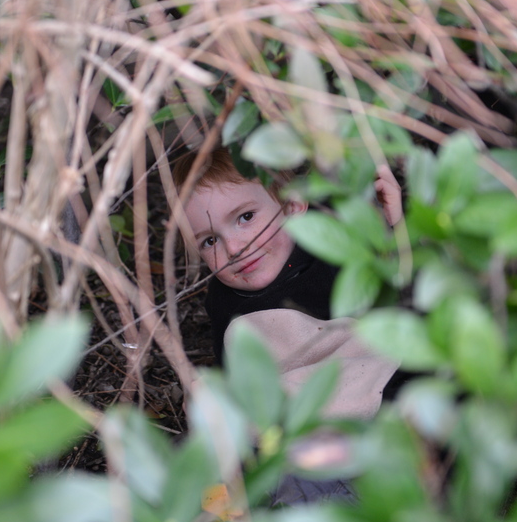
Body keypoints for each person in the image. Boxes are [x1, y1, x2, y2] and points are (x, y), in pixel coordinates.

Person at [172, 147, 406, 415]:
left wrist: (393, 227)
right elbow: (238, 373)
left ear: (293, 206)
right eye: (210, 241)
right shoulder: (224, 303)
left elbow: (402, 290)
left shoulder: (329, 246)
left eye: (246, 217)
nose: (234, 248)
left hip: (374, 378)